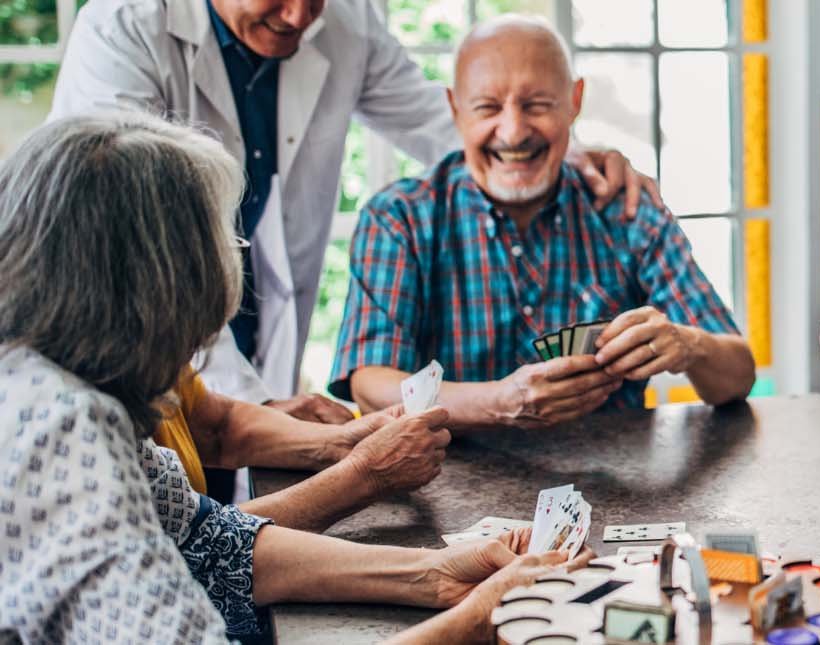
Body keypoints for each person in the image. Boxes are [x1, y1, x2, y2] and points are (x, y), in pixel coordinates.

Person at [0, 111, 581, 642]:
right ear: (158, 288)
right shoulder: (59, 427)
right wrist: (473, 623)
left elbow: (203, 542)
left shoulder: (65, 385)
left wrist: (435, 574)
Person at [49, 0, 663, 417]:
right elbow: (128, 246)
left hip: (253, 311)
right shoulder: (124, 30)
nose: (299, 16)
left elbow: (438, 118)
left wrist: (572, 156)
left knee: (242, 541)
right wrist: (248, 407)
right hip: (125, 337)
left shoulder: (339, 17)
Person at [330, 16, 755, 430]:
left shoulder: (628, 209)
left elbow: (738, 376)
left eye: (536, 105)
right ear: (454, 109)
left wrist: (690, 345)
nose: (513, 132)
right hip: (442, 478)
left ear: (574, 101)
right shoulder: (398, 218)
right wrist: (497, 402)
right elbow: (371, 386)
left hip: (616, 484)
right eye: (488, 107)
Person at [154, 370, 448, 532]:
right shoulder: (111, 425)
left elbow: (218, 425)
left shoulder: (161, 358)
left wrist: (340, 441)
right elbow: (200, 538)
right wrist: (365, 475)